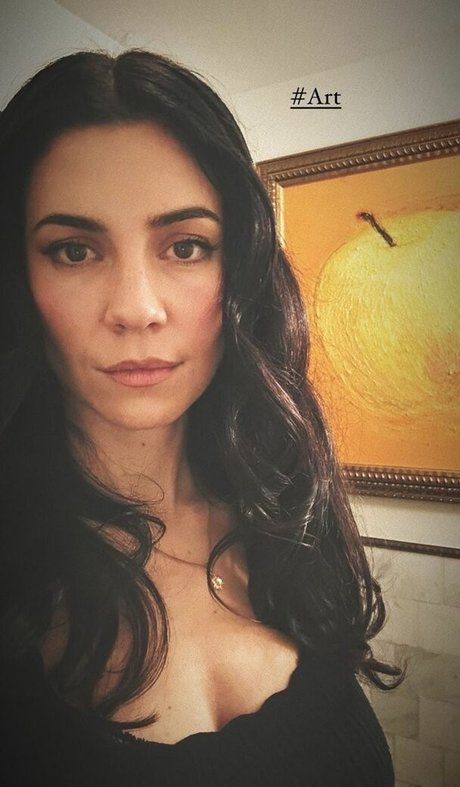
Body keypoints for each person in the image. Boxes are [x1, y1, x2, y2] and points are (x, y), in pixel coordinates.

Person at [0, 50, 401, 786]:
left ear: (238, 267)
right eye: (74, 250)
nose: (136, 308)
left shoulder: (284, 511)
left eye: (185, 246)